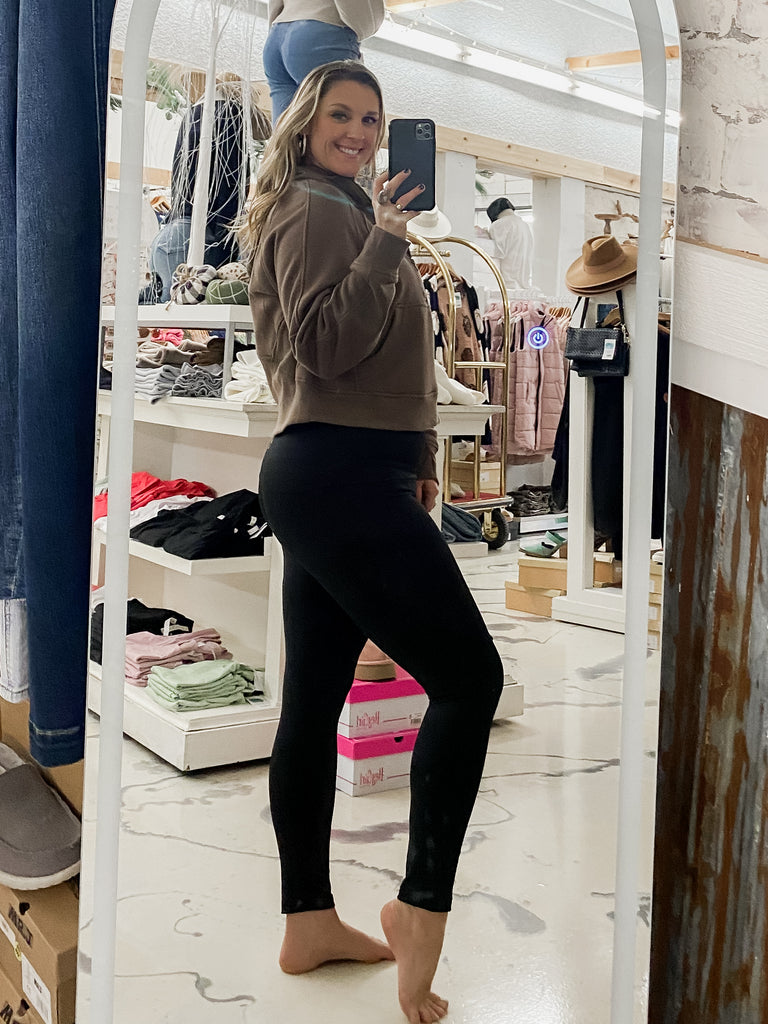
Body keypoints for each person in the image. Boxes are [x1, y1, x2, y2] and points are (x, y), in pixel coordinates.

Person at [243, 61, 504, 1024]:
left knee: (313, 701)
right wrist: (391, 240)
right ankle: (420, 908)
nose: (357, 131)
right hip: (339, 474)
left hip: (347, 471)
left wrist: (421, 452)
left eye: (371, 118)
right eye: (340, 115)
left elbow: (393, 356)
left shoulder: (349, 207)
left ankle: (308, 922)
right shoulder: (320, 209)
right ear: (306, 123)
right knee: (470, 680)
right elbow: (326, 345)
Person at [262, 0, 385, 125]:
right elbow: (362, 15)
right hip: (322, 29)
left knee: (284, 128)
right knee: (345, 124)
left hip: (278, 33)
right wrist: (368, 25)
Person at [486, 196, 534, 291]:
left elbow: (497, 253)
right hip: (523, 282)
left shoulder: (499, 225)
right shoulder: (524, 225)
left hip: (506, 282)